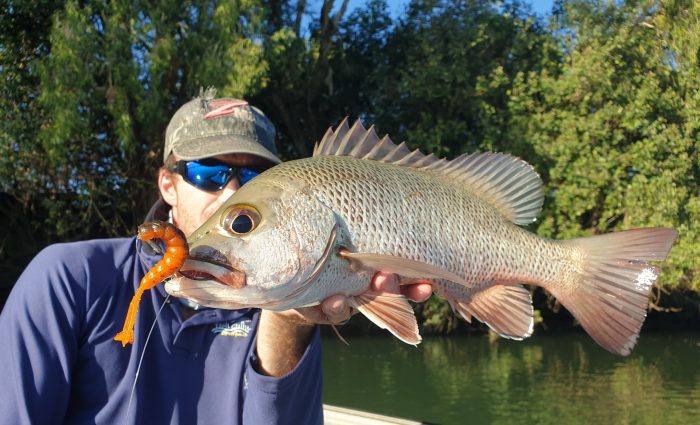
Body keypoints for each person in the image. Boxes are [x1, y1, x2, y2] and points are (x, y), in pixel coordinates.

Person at [0, 92, 431, 424]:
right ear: (168, 185)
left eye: (252, 178)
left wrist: (288, 318)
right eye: (208, 173)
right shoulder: (67, 279)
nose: (230, 192)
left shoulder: (293, 288)